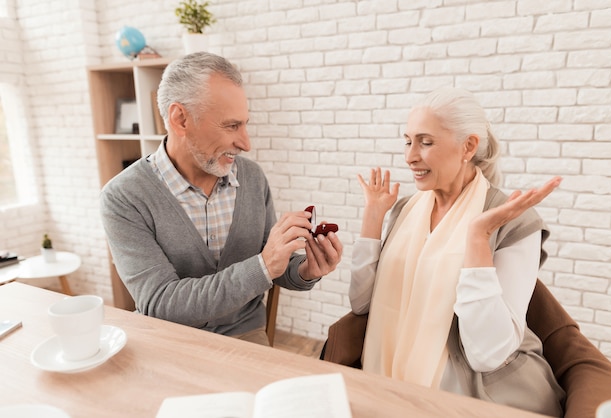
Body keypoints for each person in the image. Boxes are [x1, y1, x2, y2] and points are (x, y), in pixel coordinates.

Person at [100, 52, 343, 346]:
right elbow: (160, 303)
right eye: (231, 126)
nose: (246, 143)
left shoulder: (252, 179)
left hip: (245, 335)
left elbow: (274, 269)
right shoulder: (124, 197)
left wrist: (305, 270)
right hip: (169, 342)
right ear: (180, 119)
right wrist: (264, 265)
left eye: (245, 124)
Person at [349, 87, 565, 415]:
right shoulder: (404, 210)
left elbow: (487, 354)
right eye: (408, 141)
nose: (410, 156)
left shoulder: (511, 220)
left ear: (468, 146)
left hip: (471, 398)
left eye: (426, 141)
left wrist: (477, 237)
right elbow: (362, 304)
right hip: (386, 381)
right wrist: (373, 218)